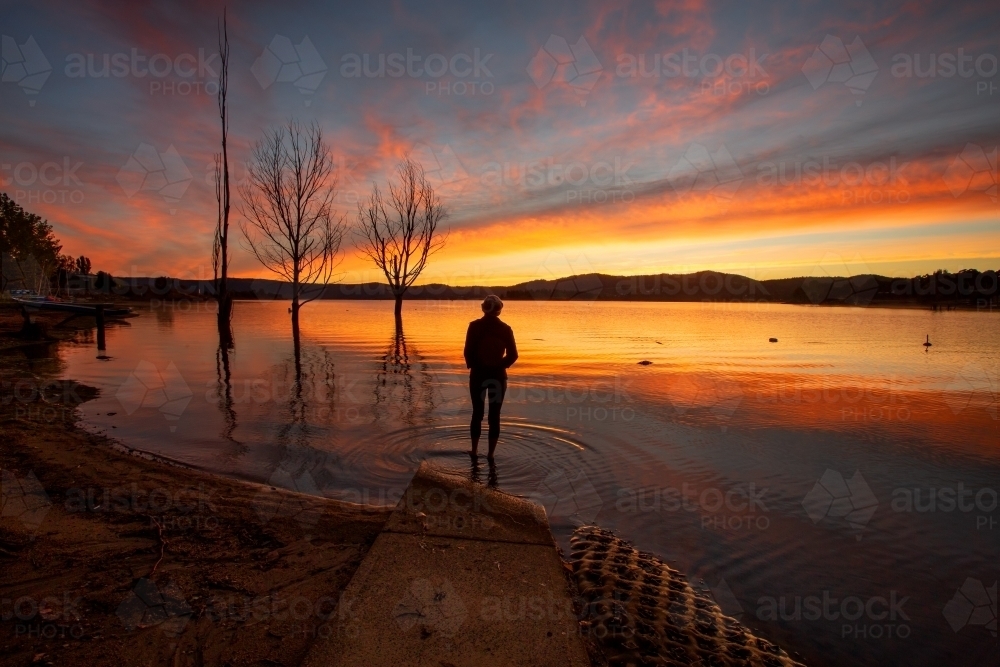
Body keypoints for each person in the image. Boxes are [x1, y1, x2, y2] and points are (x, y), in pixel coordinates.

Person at [463, 295, 517, 461]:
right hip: (498, 377)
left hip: (478, 375)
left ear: (483, 308)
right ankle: (491, 454)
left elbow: (468, 352)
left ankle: (474, 451)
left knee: (477, 413)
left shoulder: (474, 326)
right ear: (499, 310)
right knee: (495, 416)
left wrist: (476, 365)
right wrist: (499, 366)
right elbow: (513, 355)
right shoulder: (506, 329)